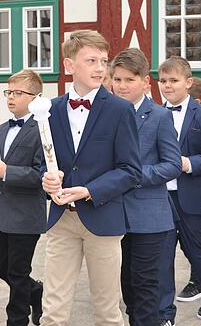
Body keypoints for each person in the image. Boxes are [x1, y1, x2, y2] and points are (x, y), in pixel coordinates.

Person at [39, 30, 141, 326]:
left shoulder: (120, 110)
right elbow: (40, 164)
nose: (100, 68)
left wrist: (88, 190)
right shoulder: (50, 110)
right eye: (92, 60)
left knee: (107, 310)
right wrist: (45, 181)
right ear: (70, 66)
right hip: (61, 220)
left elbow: (131, 170)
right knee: (53, 311)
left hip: (104, 219)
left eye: (104, 61)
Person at [110, 48, 181, 326]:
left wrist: (132, 175)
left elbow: (172, 164)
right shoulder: (106, 113)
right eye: (117, 79)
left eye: (129, 80)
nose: (122, 86)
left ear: (144, 81)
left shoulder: (160, 116)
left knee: (146, 289)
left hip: (149, 219)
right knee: (126, 287)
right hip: (113, 216)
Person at [157, 56, 201, 322]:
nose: (167, 86)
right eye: (162, 81)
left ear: (188, 83)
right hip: (160, 195)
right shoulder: (153, 113)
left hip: (193, 194)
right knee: (162, 254)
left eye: (173, 81)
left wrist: (189, 163)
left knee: (194, 247)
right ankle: (165, 313)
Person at [0, 69, 46, 326]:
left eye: (18, 93)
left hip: (25, 215)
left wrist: (10, 172)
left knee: (18, 272)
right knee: (0, 267)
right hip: (0, 214)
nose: (11, 98)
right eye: (8, 92)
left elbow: (43, 173)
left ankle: (17, 319)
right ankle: (34, 291)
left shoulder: (42, 130)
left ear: (36, 97)